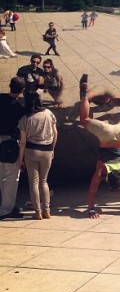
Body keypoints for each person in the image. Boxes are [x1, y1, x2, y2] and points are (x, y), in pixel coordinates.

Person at [79, 74, 120, 218]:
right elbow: (93, 190)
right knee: (84, 119)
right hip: (105, 134)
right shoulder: (102, 169)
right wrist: (91, 209)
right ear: (107, 179)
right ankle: (84, 94)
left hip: (119, 135)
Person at [18, 92, 58, 220]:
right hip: (47, 150)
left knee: (33, 182)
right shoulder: (48, 114)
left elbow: (23, 142)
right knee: (44, 181)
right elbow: (55, 133)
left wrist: (21, 159)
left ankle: (37, 211)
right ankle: (47, 210)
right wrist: (52, 149)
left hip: (31, 150)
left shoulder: (25, 118)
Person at [0, 77, 25, 221]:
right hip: (8, 143)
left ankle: (3, 205)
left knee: (1, 175)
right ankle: (6, 209)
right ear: (21, 91)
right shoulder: (18, 108)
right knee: (11, 177)